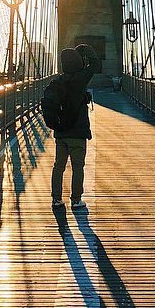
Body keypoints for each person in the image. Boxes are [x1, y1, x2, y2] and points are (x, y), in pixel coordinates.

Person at [51, 43, 101, 212]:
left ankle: (56, 199)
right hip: (77, 133)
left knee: (59, 166)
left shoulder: (58, 81)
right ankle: (76, 200)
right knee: (77, 167)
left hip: (61, 133)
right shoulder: (81, 79)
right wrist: (86, 49)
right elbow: (95, 64)